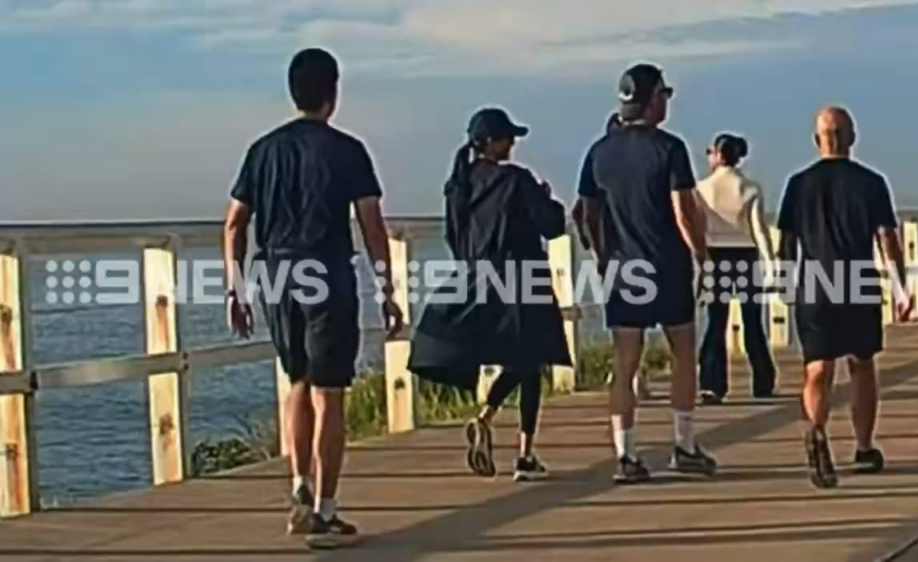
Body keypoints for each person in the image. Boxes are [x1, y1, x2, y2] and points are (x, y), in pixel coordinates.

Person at [223, 48, 403, 549]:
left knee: (296, 382)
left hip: (278, 272)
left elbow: (235, 224)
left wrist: (236, 289)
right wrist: (388, 289)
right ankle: (324, 511)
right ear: (334, 91)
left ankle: (298, 487)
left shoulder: (263, 150)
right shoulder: (348, 150)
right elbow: (371, 226)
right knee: (331, 393)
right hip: (327, 272)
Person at [407, 107, 572, 483]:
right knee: (531, 360)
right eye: (508, 137)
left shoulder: (458, 187)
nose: (512, 143)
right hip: (522, 278)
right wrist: (548, 200)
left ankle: (504, 433)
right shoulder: (516, 180)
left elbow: (454, 238)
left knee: (522, 361)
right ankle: (514, 444)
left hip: (479, 280)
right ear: (491, 142)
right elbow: (552, 226)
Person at [577, 63, 716, 484]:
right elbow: (683, 210)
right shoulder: (669, 148)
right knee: (683, 354)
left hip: (624, 268)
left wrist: (602, 255)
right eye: (665, 94)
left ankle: (626, 455)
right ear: (652, 98)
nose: (667, 101)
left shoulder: (599, 151)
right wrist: (702, 256)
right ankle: (684, 445)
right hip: (667, 263)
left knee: (625, 362)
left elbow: (586, 212)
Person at [777, 106, 912, 489]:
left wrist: (787, 283)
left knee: (817, 368)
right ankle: (864, 448)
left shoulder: (798, 184)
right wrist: (901, 288)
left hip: (815, 282)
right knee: (862, 365)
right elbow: (887, 239)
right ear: (852, 137)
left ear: (817, 139)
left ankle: (817, 431)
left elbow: (786, 242)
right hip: (858, 281)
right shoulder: (871, 183)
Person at [695, 133, 777, 404]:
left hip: (714, 256)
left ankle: (712, 383)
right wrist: (771, 264)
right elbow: (759, 230)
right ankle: (762, 380)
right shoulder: (750, 188)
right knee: (753, 321)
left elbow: (696, 229)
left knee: (715, 322)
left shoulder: (701, 189)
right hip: (745, 254)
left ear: (718, 155)